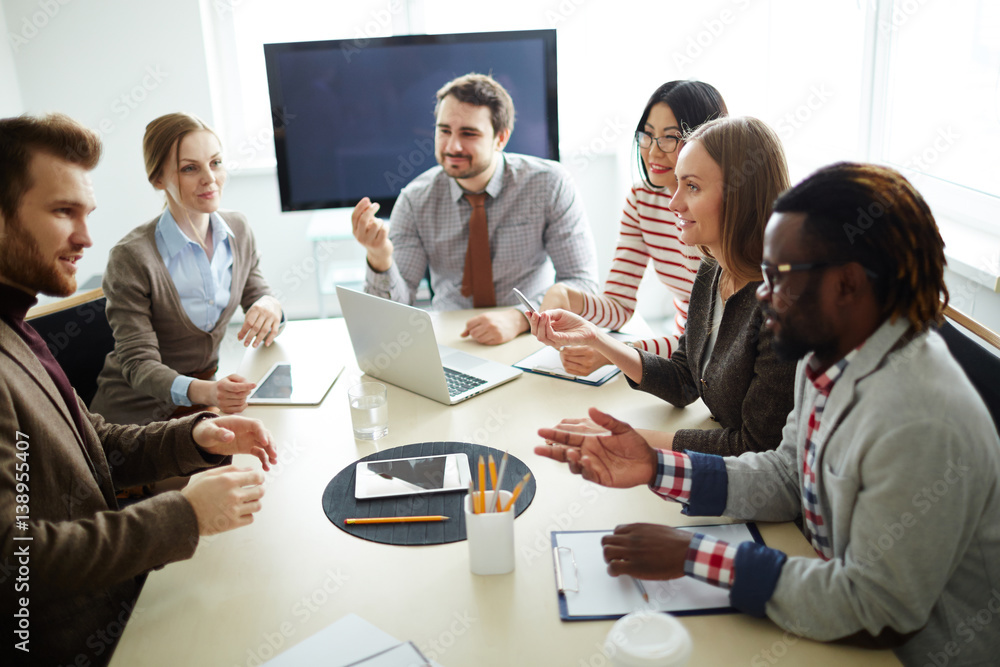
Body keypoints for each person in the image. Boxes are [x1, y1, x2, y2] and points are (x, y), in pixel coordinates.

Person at [537, 163, 1000, 666]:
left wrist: (694, 557)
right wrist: (655, 464)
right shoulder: (827, 354)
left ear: (846, 285)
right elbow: (787, 473)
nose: (762, 292)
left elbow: (876, 609)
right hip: (824, 611)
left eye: (779, 276)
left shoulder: (920, 419)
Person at [0, 113, 278, 666]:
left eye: (86, 213)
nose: (85, 237)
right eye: (62, 212)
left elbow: (91, 443)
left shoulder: (19, 331)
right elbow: (16, 563)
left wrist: (197, 439)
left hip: (121, 595)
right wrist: (185, 515)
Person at [531, 117, 796, 456]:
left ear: (740, 195)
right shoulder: (712, 269)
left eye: (693, 187)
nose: (674, 203)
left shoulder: (780, 304)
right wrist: (596, 338)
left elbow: (755, 445)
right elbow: (685, 379)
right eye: (678, 185)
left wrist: (628, 439)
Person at [351, 72, 599, 345]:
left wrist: (520, 318)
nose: (452, 145)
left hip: (534, 337)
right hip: (452, 341)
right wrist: (379, 258)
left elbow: (582, 284)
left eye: (468, 134)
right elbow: (389, 316)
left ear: (500, 138)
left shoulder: (549, 184)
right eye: (444, 131)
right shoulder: (415, 199)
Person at [90, 113, 283, 425]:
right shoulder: (131, 257)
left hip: (201, 410)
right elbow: (138, 364)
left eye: (216, 162)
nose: (210, 178)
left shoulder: (238, 229)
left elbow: (259, 294)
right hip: (133, 421)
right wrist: (207, 393)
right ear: (158, 179)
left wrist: (270, 306)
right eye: (190, 168)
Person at [540, 80, 726, 376]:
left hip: (709, 365)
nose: (652, 151)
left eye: (670, 138)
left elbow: (710, 340)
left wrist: (614, 352)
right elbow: (618, 306)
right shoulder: (642, 200)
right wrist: (566, 297)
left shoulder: (717, 210)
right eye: (647, 136)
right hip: (680, 362)